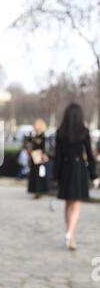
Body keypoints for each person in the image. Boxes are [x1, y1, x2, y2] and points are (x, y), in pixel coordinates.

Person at [53, 103, 99, 250]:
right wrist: (94, 175)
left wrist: (56, 175)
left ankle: (69, 234)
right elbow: (90, 156)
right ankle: (70, 233)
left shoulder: (61, 132)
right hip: (78, 170)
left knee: (68, 204)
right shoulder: (83, 132)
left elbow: (57, 157)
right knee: (76, 204)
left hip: (66, 170)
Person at [26, 119, 50, 199]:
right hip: (33, 157)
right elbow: (28, 142)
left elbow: (45, 147)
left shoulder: (43, 135)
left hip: (40, 158)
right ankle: (35, 190)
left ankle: (39, 191)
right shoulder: (33, 134)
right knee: (34, 175)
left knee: (40, 175)